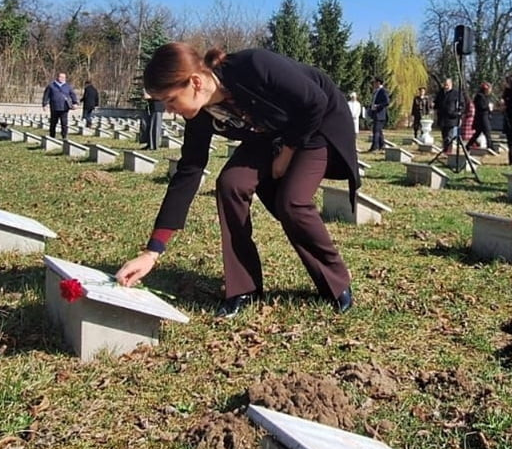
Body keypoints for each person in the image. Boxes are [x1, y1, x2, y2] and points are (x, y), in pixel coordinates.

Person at [115, 43, 356, 317]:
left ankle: (336, 284)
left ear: (195, 82)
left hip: (317, 124)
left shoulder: (254, 65)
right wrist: (152, 251)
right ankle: (245, 288)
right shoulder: (200, 114)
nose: (169, 110)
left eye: (170, 100)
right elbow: (189, 171)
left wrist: (287, 153)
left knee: (292, 202)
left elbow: (315, 101)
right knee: (231, 183)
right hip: (269, 134)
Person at [41, 71, 79, 138]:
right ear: (57, 77)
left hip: (64, 108)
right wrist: (44, 104)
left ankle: (64, 136)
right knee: (53, 123)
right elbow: (46, 96)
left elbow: (73, 95)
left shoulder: (68, 86)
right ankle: (52, 136)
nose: (63, 78)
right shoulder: (51, 86)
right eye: (61, 77)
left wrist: (75, 103)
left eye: (64, 77)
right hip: (54, 107)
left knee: (64, 123)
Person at [433, 77, 463, 151]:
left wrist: (457, 113)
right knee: (444, 135)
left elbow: (462, 105)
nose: (446, 86)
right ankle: (445, 150)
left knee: (449, 136)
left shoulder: (456, 93)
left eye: (447, 85)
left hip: (452, 119)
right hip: (442, 118)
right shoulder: (440, 93)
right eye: (445, 85)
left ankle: (449, 151)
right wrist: (434, 107)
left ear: (451, 84)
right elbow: (436, 103)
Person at [465, 82, 495, 150]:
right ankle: (490, 147)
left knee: (478, 133)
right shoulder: (479, 96)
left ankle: (468, 145)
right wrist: (488, 107)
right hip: (481, 117)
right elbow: (481, 106)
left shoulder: (486, 96)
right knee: (487, 132)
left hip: (485, 117)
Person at [367, 77, 389, 152]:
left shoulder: (383, 91)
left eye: (374, 83)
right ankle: (382, 145)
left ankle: (375, 147)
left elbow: (386, 102)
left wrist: (378, 106)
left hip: (380, 114)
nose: (373, 84)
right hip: (376, 114)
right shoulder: (376, 91)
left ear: (378, 83)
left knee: (376, 131)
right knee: (379, 131)